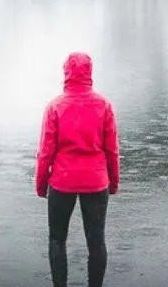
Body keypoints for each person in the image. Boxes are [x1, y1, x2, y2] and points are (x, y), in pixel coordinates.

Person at [35, 52, 120, 287]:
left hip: (62, 183)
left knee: (57, 240)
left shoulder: (55, 107)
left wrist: (41, 184)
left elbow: (45, 152)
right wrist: (113, 182)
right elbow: (111, 149)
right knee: (96, 242)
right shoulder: (104, 105)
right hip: (95, 181)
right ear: (89, 73)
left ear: (66, 73)